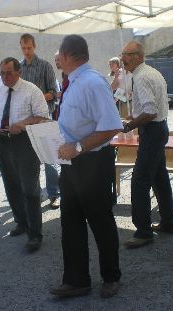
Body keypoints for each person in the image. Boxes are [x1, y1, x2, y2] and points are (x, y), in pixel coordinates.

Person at [50, 35, 122, 299]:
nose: (57, 58)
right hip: (72, 163)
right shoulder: (73, 82)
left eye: (59, 54)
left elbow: (112, 125)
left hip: (91, 162)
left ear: (69, 56)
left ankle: (111, 277)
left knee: (100, 221)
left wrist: (78, 147)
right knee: (71, 223)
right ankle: (77, 280)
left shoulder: (92, 82)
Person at [0, 57, 49, 253]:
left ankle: (35, 235)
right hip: (2, 143)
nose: (4, 77)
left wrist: (23, 124)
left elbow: (43, 116)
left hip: (25, 143)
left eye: (8, 73)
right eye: (2, 73)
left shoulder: (32, 90)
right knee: (11, 185)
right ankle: (21, 222)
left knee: (29, 188)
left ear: (19, 72)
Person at [120, 41, 173, 249]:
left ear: (139, 56)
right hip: (158, 129)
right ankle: (169, 222)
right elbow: (151, 109)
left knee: (140, 181)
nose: (124, 58)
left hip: (152, 130)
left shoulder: (142, 76)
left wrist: (130, 125)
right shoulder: (150, 72)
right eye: (123, 54)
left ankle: (143, 231)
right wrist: (134, 119)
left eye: (128, 54)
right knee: (159, 177)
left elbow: (150, 112)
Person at [19, 33, 60, 209]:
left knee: (49, 159)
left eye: (29, 47)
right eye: (23, 48)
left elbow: (54, 93)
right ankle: (32, 196)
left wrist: (35, 98)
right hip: (25, 121)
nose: (26, 51)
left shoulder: (45, 66)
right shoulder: (18, 68)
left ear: (34, 46)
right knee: (28, 161)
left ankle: (54, 194)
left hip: (43, 118)